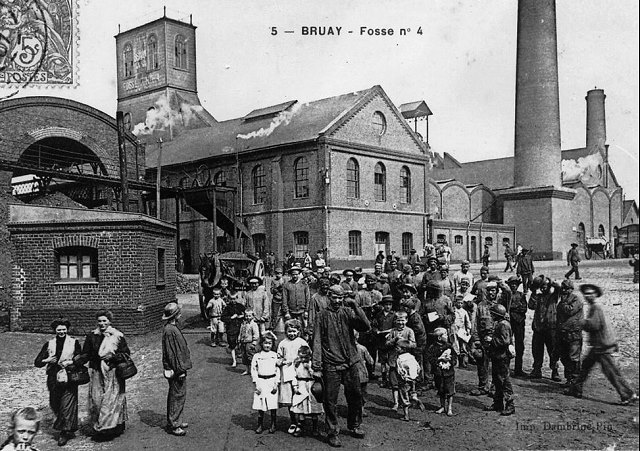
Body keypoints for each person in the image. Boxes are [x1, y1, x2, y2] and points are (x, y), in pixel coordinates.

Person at [312, 285, 370, 447]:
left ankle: (355, 425)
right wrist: (316, 366)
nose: (337, 301)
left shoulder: (347, 312)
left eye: (340, 298)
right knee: (330, 401)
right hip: (331, 364)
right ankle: (332, 432)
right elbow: (316, 341)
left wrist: (355, 306)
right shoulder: (321, 316)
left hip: (350, 361)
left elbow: (366, 327)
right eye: (334, 297)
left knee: (356, 395)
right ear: (329, 296)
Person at [565, 284, 638, 405]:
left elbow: (594, 325)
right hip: (598, 345)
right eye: (586, 294)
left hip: (602, 346)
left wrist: (582, 322)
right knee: (585, 367)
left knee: (611, 372)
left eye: (590, 293)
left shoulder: (596, 308)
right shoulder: (595, 307)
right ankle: (575, 389)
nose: (588, 296)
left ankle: (628, 395)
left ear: (595, 294)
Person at [78, 310, 129, 440]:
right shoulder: (92, 336)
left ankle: (110, 428)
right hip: (96, 371)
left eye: (104, 321)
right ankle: (99, 424)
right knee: (96, 400)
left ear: (109, 321)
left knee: (112, 399)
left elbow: (125, 353)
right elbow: (86, 354)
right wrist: (76, 360)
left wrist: (113, 357)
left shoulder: (117, 335)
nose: (102, 323)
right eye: (99, 321)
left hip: (112, 371)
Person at [33, 319, 81, 447]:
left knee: (67, 405)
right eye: (59, 329)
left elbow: (80, 358)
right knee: (55, 404)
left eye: (64, 329)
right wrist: (47, 359)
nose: (61, 332)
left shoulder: (74, 342)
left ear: (67, 329)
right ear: (55, 330)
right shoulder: (49, 344)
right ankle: (69, 426)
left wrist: (70, 362)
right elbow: (37, 362)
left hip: (69, 377)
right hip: (53, 379)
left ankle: (64, 432)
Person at [161, 302, 192, 437]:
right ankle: (174, 424)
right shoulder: (170, 330)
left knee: (179, 394)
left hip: (177, 367)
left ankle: (177, 419)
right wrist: (179, 370)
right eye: (179, 313)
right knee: (176, 395)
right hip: (177, 369)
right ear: (176, 315)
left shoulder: (172, 328)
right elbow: (173, 353)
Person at [277, 319, 309, 434]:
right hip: (287, 373)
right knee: (289, 398)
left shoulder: (302, 342)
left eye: (294, 331)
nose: (292, 334)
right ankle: (293, 421)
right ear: (286, 331)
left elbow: (307, 355)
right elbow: (279, 357)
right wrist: (281, 362)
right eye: (289, 331)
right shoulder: (283, 343)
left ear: (299, 331)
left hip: (299, 373)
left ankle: (301, 421)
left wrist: (300, 360)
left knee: (299, 396)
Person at [385, 311, 417, 421]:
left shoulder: (409, 331)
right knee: (394, 382)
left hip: (405, 361)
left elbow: (413, 344)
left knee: (406, 382)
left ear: (406, 320)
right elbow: (387, 344)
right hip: (394, 360)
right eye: (398, 320)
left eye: (403, 320)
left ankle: (411, 397)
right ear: (395, 321)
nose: (400, 323)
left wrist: (404, 343)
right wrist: (394, 340)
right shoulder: (393, 331)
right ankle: (396, 403)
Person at [527, 276, 560, 381]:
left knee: (553, 351)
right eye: (541, 287)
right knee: (537, 351)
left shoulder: (553, 296)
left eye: (545, 286)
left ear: (549, 287)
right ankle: (537, 369)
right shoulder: (538, 297)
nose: (543, 288)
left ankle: (555, 371)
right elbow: (531, 306)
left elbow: (558, 288)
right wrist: (533, 290)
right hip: (538, 328)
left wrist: (551, 281)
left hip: (551, 328)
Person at [485, 304, 515, 415]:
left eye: (493, 314)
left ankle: (510, 405)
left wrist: (491, 340)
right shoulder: (501, 323)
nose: (491, 315)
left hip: (502, 357)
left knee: (504, 381)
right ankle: (498, 403)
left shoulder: (503, 325)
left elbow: (505, 341)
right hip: (497, 356)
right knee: (497, 380)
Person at [553, 280, 583, 387]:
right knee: (564, 357)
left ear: (571, 289)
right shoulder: (562, 301)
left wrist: (563, 302)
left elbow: (569, 311)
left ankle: (575, 382)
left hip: (574, 334)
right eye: (563, 288)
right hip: (563, 333)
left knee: (574, 358)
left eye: (567, 288)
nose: (564, 290)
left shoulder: (576, 300)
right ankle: (569, 379)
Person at [290, 345, 323, 437]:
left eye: (306, 357)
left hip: (311, 385)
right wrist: (295, 386)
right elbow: (293, 376)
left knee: (313, 409)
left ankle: (315, 428)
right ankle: (300, 427)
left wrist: (309, 368)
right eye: (301, 357)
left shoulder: (312, 364)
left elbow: (317, 375)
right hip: (301, 385)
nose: (303, 359)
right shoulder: (296, 364)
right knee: (301, 409)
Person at [252, 331, 280, 434]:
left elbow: (278, 370)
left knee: (272, 405)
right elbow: (253, 370)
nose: (267, 345)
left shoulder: (274, 355)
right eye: (265, 343)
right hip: (261, 381)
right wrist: (256, 383)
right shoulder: (257, 356)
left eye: (269, 343)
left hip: (271, 381)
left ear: (272, 345)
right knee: (260, 405)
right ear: (261, 344)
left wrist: (276, 383)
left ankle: (273, 424)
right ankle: (260, 425)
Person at [426, 327, 456, 416]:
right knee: (441, 389)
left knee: (450, 389)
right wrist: (439, 359)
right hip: (438, 372)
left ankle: (449, 407)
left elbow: (454, 357)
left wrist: (451, 362)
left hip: (449, 372)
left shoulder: (449, 346)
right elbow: (430, 358)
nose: (447, 336)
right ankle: (442, 406)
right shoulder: (432, 347)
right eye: (445, 334)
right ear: (439, 337)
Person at [504, 276, 528, 378]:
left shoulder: (521, 295)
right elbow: (503, 309)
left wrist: (513, 308)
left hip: (519, 323)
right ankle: (505, 368)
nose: (513, 285)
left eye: (515, 284)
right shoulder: (506, 296)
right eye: (511, 284)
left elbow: (524, 308)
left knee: (520, 346)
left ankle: (518, 369)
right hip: (509, 323)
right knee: (507, 344)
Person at [372, 295, 395, 387]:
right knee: (383, 361)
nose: (388, 307)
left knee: (391, 361)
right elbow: (374, 325)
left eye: (390, 304)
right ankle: (384, 379)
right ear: (383, 305)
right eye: (386, 304)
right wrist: (376, 331)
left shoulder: (394, 315)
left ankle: (391, 379)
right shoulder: (379, 315)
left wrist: (390, 332)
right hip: (381, 341)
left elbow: (396, 327)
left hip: (390, 341)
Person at [221, 292, 246, 368]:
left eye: (234, 298)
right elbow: (223, 318)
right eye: (231, 299)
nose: (233, 300)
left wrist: (241, 316)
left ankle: (243, 358)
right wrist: (231, 318)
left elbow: (246, 314)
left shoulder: (240, 306)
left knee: (242, 342)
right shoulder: (227, 307)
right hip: (231, 328)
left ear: (237, 298)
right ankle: (234, 360)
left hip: (240, 327)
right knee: (232, 344)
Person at [354, 333, 375, 415]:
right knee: (362, 392)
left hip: (350, 374)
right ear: (358, 336)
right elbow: (371, 361)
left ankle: (354, 409)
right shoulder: (362, 348)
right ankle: (361, 409)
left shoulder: (346, 348)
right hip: (362, 373)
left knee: (352, 392)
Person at [239, 309, 260, 376]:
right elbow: (241, 332)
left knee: (250, 356)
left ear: (253, 316)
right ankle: (247, 369)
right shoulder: (243, 324)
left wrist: (254, 342)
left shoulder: (254, 324)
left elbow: (256, 334)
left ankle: (254, 369)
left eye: (249, 316)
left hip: (250, 342)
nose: (248, 317)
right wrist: (239, 338)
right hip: (243, 342)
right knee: (244, 356)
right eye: (246, 316)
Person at [453, 295, 471, 368]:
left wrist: (468, 329)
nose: (460, 304)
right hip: (454, 329)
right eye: (458, 303)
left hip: (462, 330)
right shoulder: (453, 311)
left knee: (463, 346)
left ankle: (463, 361)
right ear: (455, 303)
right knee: (455, 344)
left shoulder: (464, 311)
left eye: (461, 303)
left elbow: (467, 321)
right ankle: (456, 361)